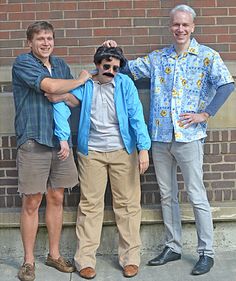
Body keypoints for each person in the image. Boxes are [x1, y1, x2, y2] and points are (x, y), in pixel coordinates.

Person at [104, 4, 235, 276]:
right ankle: (173, 246)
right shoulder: (159, 58)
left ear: (193, 27)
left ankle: (206, 252)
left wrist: (205, 113)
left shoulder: (207, 56)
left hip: (189, 137)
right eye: (176, 24)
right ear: (170, 26)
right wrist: (114, 51)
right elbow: (128, 70)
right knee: (167, 195)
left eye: (185, 25)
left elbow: (227, 84)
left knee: (197, 195)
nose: (180, 29)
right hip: (161, 138)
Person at [12, 21, 90, 281]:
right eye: (40, 39)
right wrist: (77, 80)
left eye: (49, 38)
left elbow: (76, 100)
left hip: (60, 141)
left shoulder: (60, 65)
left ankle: (54, 255)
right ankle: (28, 261)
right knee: (32, 201)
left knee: (57, 197)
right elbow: (51, 87)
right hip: (34, 139)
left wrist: (64, 94)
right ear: (30, 43)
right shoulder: (23, 63)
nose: (45, 43)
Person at [66, 46, 151, 279]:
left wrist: (143, 149)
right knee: (90, 205)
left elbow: (136, 116)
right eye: (107, 66)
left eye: (116, 67)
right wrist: (64, 86)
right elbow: (66, 99)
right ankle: (84, 260)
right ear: (97, 64)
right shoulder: (87, 85)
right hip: (91, 151)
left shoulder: (125, 85)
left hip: (123, 151)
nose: (112, 70)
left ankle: (130, 259)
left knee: (128, 206)